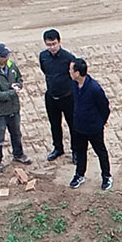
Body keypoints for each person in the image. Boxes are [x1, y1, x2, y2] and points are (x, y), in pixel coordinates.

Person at [67, 57, 112, 190]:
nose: (69, 72)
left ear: (77, 73)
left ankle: (106, 176)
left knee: (100, 152)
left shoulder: (94, 88)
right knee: (80, 151)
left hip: (93, 128)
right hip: (79, 126)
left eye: (71, 70)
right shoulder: (74, 84)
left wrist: (100, 123)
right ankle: (79, 174)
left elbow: (104, 108)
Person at [0, 42, 27, 167]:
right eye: (3, 56)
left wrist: (19, 85)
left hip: (13, 108)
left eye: (7, 55)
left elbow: (19, 79)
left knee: (16, 134)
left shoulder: (12, 66)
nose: (6, 58)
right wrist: (12, 93)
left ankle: (19, 154)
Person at [37, 30, 76, 161]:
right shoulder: (43, 56)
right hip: (51, 96)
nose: (52, 47)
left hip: (68, 96)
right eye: (48, 45)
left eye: (54, 44)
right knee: (54, 124)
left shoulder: (69, 58)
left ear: (59, 42)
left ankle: (76, 151)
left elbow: (75, 76)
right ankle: (58, 148)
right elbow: (45, 71)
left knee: (73, 125)